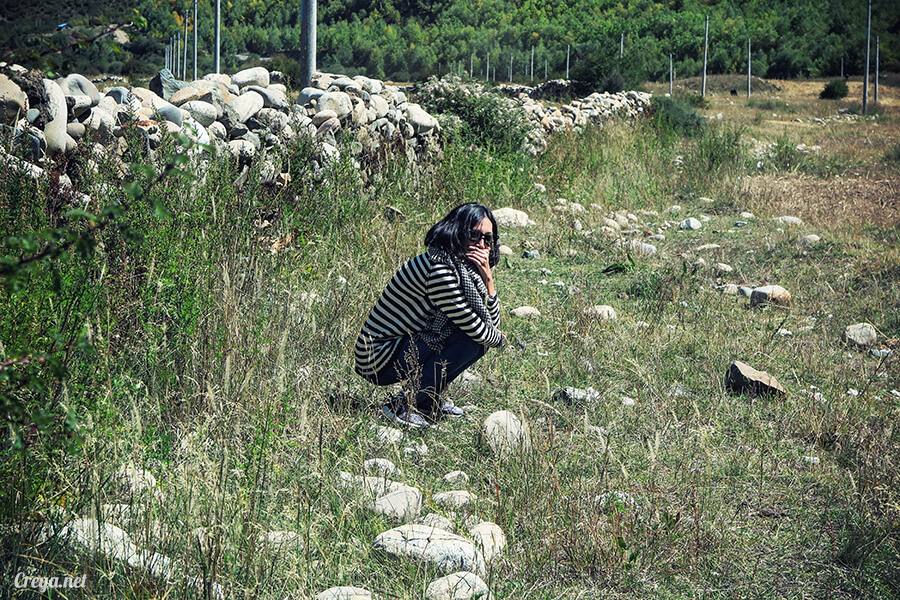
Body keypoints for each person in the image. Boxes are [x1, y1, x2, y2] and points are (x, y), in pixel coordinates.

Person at [354, 203, 506, 428]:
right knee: (472, 340)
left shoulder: (460, 268)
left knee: (471, 339)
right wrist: (500, 340)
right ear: (457, 233)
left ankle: (426, 399)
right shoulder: (439, 269)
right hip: (377, 356)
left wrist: (489, 280)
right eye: (474, 236)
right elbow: (478, 330)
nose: (482, 245)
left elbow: (490, 324)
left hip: (401, 346)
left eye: (488, 239)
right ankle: (404, 405)